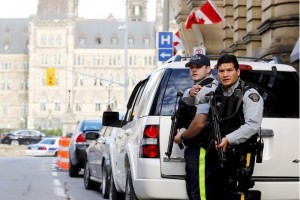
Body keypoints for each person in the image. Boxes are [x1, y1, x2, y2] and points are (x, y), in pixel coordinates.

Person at [195, 54, 264, 199]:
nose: (225, 74)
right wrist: (192, 92)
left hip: (239, 155)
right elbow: (196, 98)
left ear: (238, 72)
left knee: (235, 193)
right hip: (216, 150)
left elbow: (252, 126)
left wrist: (228, 139)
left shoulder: (250, 95)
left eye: (229, 70)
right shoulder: (215, 91)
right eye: (221, 71)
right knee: (213, 192)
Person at [174, 54, 223, 200]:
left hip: (203, 147)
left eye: (198, 67)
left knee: (201, 193)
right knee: (195, 189)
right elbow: (187, 100)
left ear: (208, 69)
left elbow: (200, 122)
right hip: (197, 147)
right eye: (191, 68)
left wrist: (182, 136)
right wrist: (189, 93)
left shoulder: (210, 88)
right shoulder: (197, 88)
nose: (194, 70)